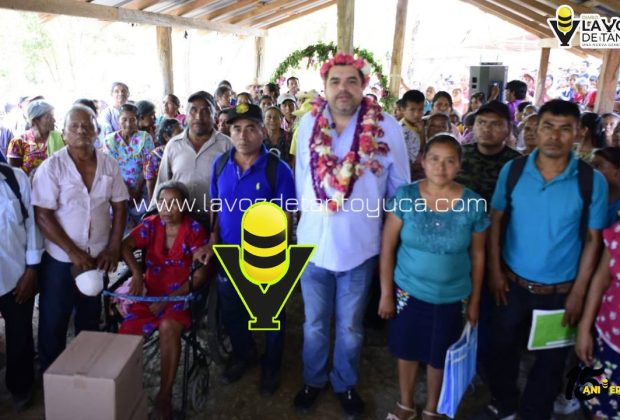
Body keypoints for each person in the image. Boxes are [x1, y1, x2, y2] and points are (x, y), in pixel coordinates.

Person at [293, 52, 410, 416]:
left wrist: (392, 243)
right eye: (335, 82)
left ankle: (344, 383)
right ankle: (313, 380)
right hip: (312, 246)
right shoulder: (308, 125)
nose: (342, 89)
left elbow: (400, 190)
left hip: (360, 248)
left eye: (351, 81)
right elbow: (301, 182)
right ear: (324, 87)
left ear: (364, 86)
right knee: (313, 324)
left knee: (350, 327)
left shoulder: (386, 126)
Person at [477, 100, 608, 420]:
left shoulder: (591, 181)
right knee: (502, 349)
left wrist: (579, 292)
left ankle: (535, 413)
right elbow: (496, 220)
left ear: (578, 133)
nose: (555, 136)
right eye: (548, 126)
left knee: (550, 362)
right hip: (510, 285)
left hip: (561, 293)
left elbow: (594, 241)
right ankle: (504, 404)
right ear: (536, 128)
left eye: (565, 129)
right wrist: (495, 271)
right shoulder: (514, 170)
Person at [379, 134, 488, 420]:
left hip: (453, 296)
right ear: (423, 161)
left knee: (440, 355)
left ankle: (432, 409)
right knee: (406, 350)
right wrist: (386, 293)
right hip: (408, 292)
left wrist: (475, 301)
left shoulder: (473, 204)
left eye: (450, 161)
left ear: (460, 165)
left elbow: (478, 256)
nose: (441, 167)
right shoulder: (405, 197)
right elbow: (387, 246)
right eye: (434, 159)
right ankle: (406, 405)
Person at [207, 103, 295, 396]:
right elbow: (216, 206)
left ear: (262, 131)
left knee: (271, 314)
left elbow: (287, 216)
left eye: (250, 129)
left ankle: (272, 364)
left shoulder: (277, 169)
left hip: (266, 255)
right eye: (236, 129)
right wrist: (213, 238)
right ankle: (244, 354)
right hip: (229, 252)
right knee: (232, 310)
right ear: (229, 132)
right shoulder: (220, 164)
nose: (243, 136)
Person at [32, 105, 128, 373]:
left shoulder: (109, 164)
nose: (81, 130)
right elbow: (42, 215)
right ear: (63, 133)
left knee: (90, 317)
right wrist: (73, 252)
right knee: (54, 320)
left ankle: (88, 376)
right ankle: (52, 377)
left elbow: (120, 206)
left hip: (98, 257)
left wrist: (113, 247)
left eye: (87, 125)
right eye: (74, 126)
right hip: (61, 260)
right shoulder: (52, 168)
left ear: (97, 131)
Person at [120, 181, 208, 420]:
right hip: (150, 292)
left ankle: (164, 396)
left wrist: (167, 299)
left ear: (184, 206)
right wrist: (136, 272)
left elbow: (199, 276)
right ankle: (124, 389)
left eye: (173, 203)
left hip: (181, 296)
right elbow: (125, 245)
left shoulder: (194, 230)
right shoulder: (151, 224)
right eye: (162, 202)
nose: (166, 208)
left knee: (169, 326)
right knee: (126, 330)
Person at [0, 163, 43, 412]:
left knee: (20, 334)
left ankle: (21, 386)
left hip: (17, 277)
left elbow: (33, 226)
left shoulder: (15, 179)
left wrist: (32, 270)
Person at [155, 91, 231, 229]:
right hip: (179, 222)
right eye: (193, 110)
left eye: (205, 111)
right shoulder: (173, 145)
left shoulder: (227, 146)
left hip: (216, 222)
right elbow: (162, 183)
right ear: (186, 114)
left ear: (214, 115)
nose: (198, 117)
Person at [575, 218, 620, 420]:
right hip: (608, 346)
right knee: (601, 406)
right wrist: (584, 329)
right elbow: (601, 279)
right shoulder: (618, 231)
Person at [104, 103, 155, 230]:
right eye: (124, 119)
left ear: (137, 120)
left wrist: (136, 189)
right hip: (117, 187)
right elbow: (110, 169)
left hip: (141, 187)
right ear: (118, 120)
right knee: (118, 221)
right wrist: (125, 190)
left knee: (143, 222)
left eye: (132, 120)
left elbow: (148, 165)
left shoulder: (145, 138)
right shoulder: (110, 140)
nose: (128, 124)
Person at [7, 100, 64, 176]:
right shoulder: (19, 142)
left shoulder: (61, 138)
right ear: (35, 120)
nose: (54, 120)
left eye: (53, 116)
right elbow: (13, 175)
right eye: (48, 117)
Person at [145, 119, 182, 201]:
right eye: (178, 135)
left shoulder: (183, 153)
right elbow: (150, 182)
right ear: (166, 137)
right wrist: (153, 204)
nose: (182, 138)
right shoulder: (155, 156)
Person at [591, 147, 620, 228]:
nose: (592, 171)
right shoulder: (589, 200)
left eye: (597, 166)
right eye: (590, 166)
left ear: (617, 171)